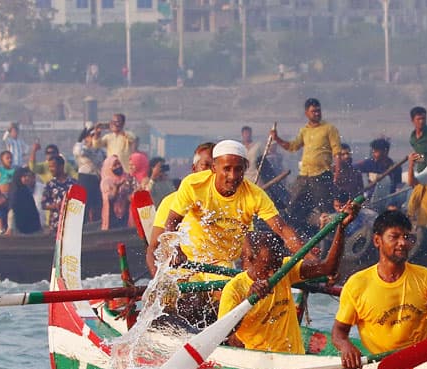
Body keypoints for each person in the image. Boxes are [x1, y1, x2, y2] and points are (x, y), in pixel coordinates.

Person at [219, 204, 357, 354]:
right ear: (250, 261)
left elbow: (328, 268)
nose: (273, 274)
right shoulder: (234, 289)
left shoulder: (284, 269)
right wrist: (248, 302)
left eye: (276, 267)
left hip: (295, 357)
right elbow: (223, 333)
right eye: (267, 268)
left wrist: (341, 229)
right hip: (260, 361)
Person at [153, 140, 305, 275]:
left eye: (238, 169)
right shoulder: (193, 185)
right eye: (227, 169)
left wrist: (307, 256)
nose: (232, 176)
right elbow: (172, 222)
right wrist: (175, 250)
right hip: (186, 261)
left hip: (221, 265)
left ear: (245, 168)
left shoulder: (255, 195)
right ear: (214, 168)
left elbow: (282, 229)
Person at [332, 210, 427, 369]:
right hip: (383, 367)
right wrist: (346, 347)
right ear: (377, 240)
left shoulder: (426, 277)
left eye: (406, 237)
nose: (403, 243)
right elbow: (339, 333)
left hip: (422, 363)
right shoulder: (357, 284)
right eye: (394, 237)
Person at [271, 98, 342, 235]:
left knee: (325, 209)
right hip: (305, 175)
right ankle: (294, 236)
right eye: (313, 111)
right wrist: (277, 139)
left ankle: (328, 240)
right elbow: (292, 147)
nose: (317, 113)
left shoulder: (329, 128)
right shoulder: (304, 130)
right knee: (293, 206)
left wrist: (337, 174)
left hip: (321, 174)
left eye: (318, 111)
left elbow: (337, 153)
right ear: (306, 113)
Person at [144, 143, 214, 276]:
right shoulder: (170, 201)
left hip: (218, 275)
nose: (210, 173)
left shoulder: (232, 202)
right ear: (194, 169)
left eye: (215, 167)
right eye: (205, 166)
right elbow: (153, 249)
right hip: (184, 277)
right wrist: (159, 281)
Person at [73, 123, 106, 222]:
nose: (94, 138)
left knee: (97, 206)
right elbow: (79, 151)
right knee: (84, 206)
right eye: (92, 136)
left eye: (96, 136)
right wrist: (82, 140)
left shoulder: (101, 151)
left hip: (97, 179)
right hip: (85, 179)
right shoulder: (81, 148)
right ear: (87, 137)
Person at [353, 137, 400, 206]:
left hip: (388, 200)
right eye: (373, 151)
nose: (374, 154)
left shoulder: (395, 167)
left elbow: (398, 187)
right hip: (371, 200)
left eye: (376, 151)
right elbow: (353, 168)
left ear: (385, 152)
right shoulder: (369, 163)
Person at [42, 154, 79, 234]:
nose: (51, 169)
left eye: (53, 166)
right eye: (49, 167)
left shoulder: (73, 183)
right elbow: (43, 204)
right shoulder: (50, 185)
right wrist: (55, 205)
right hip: (55, 226)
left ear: (61, 166)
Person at [99, 155, 137, 230]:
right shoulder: (106, 182)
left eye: (119, 164)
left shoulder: (127, 177)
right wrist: (116, 188)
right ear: (109, 167)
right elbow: (110, 198)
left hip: (125, 213)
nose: (118, 166)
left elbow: (131, 193)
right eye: (115, 165)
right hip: (111, 214)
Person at [8, 167, 42, 235]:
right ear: (18, 177)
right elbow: (12, 211)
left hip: (32, 228)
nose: (27, 178)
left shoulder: (26, 190)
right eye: (24, 176)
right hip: (19, 229)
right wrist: (10, 228)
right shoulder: (15, 192)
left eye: (28, 176)